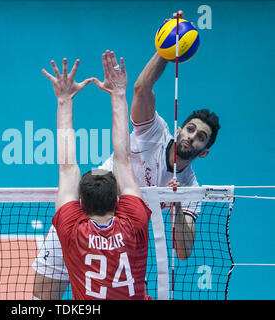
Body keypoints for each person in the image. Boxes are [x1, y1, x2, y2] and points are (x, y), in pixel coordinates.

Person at [32, 11, 220, 300]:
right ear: (179, 128)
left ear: (203, 152)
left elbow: (183, 251)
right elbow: (142, 88)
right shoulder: (156, 132)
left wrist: (179, 203)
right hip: (89, 211)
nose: (191, 137)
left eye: (200, 138)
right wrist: (166, 51)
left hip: (120, 231)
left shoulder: (191, 190)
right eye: (190, 129)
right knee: (42, 297)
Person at [42, 51, 152, 300]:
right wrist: (119, 93)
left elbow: (67, 166)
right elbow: (123, 159)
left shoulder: (72, 231)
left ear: (80, 204)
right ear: (117, 201)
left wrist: (64, 100)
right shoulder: (134, 223)